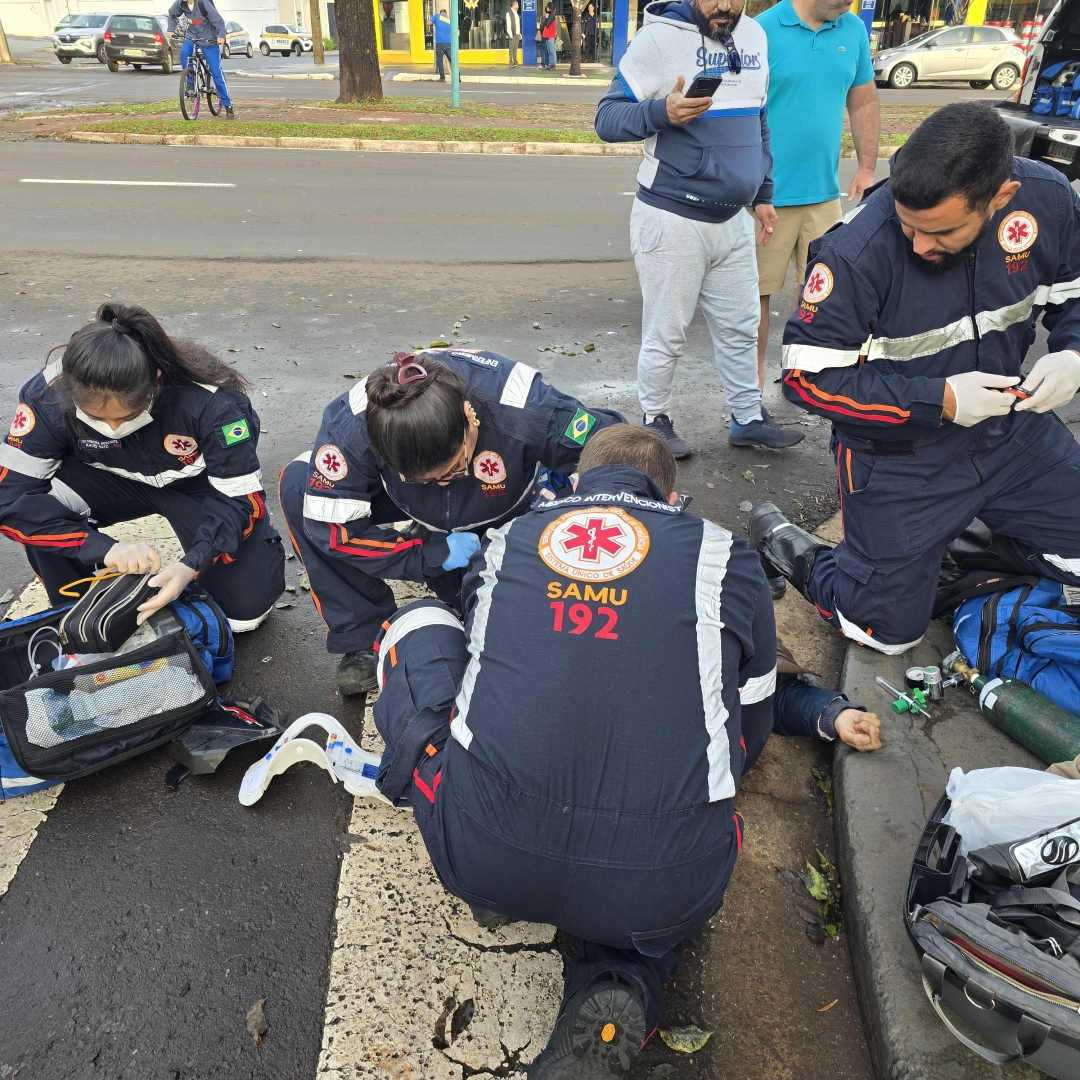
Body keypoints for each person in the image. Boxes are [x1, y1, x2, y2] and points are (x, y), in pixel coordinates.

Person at [370, 425, 881, 1080]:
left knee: (416, 625)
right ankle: (622, 981)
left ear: (576, 488)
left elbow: (486, 671)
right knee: (658, 893)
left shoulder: (507, 543)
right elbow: (747, 735)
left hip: (486, 852)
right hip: (662, 881)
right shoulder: (724, 561)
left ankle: (511, 891)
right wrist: (824, 713)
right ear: (673, 500)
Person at [752, 103, 1080, 655]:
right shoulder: (855, 253)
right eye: (908, 224)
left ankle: (957, 542)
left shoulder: (1048, 199)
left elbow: (1074, 293)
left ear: (1000, 197)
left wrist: (1073, 354)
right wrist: (941, 399)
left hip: (1009, 431)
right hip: (900, 456)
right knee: (884, 635)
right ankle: (793, 548)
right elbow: (805, 382)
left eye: (940, 232)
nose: (918, 244)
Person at [278, 349, 624, 696]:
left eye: (454, 469)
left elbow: (619, 454)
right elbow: (333, 532)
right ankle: (365, 634)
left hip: (506, 507)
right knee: (298, 488)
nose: (443, 482)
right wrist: (423, 554)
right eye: (425, 478)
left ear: (469, 417)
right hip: (407, 504)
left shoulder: (525, 408)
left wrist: (563, 518)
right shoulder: (353, 428)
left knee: (508, 638)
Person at [595, 0, 804, 459]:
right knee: (667, 332)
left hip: (731, 219)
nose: (725, 5)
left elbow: (758, 121)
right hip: (672, 218)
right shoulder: (658, 39)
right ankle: (654, 424)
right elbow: (605, 120)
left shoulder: (754, 36)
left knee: (742, 327)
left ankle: (747, 418)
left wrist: (763, 194)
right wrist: (660, 114)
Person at [0, 303, 285, 629]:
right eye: (95, 419)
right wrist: (100, 549)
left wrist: (192, 564)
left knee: (244, 616)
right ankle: (79, 608)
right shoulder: (49, 396)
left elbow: (238, 499)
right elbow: (9, 498)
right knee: (39, 503)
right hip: (107, 476)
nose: (110, 428)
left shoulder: (214, 403)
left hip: (197, 484)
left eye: (124, 418)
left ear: (156, 382)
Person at [753, 0, 879, 393]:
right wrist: (752, 186)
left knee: (817, 291)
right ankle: (750, 385)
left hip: (823, 194)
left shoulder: (853, 29)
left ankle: (799, 375)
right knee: (755, 296)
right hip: (764, 196)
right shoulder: (760, 31)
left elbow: (864, 101)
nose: (848, 3)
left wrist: (866, 167)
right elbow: (737, 112)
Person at [168, 0, 234, 120]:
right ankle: (190, 81)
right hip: (192, 36)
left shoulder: (203, 3)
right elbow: (172, 14)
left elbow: (218, 20)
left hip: (209, 39)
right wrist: (171, 29)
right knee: (184, 54)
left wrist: (220, 36)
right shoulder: (180, 3)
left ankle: (227, 104)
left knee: (216, 73)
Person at [428, 6, 452, 80]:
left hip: (440, 43)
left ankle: (442, 77)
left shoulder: (436, 16)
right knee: (452, 61)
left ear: (440, 13)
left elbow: (428, 23)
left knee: (440, 60)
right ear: (446, 14)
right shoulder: (449, 21)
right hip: (448, 43)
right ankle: (458, 76)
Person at [540, 3, 558, 68]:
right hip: (547, 35)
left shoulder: (552, 15)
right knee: (549, 50)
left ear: (549, 7)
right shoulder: (550, 15)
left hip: (550, 35)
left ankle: (552, 63)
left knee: (551, 50)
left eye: (547, 7)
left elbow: (547, 24)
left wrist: (546, 18)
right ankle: (550, 63)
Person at [506, 0, 521, 65]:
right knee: (511, 47)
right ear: (514, 5)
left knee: (515, 48)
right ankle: (511, 61)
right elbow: (508, 24)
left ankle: (515, 60)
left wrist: (519, 33)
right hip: (512, 33)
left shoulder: (516, 14)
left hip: (517, 33)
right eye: (517, 5)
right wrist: (510, 33)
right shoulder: (508, 14)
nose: (518, 6)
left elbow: (517, 25)